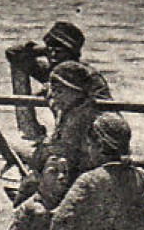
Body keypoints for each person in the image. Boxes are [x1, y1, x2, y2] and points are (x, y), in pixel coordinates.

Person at [7, 20, 111, 143]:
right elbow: (14, 54)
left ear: (72, 54)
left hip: (92, 135)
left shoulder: (82, 73)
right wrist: (44, 49)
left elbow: (104, 110)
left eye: (59, 51)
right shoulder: (54, 71)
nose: (53, 55)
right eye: (50, 50)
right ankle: (30, 131)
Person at [17, 60, 102, 203]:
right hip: (64, 167)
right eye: (53, 90)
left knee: (31, 186)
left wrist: (44, 153)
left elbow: (70, 150)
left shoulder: (85, 115)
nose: (54, 96)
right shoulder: (68, 108)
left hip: (77, 173)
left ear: (76, 91)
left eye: (59, 91)